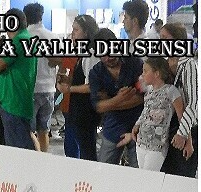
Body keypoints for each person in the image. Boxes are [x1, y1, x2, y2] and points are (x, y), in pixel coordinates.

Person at [116, 58, 184, 172]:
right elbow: (146, 110)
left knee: (149, 176)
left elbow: (180, 115)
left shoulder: (171, 91)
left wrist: (183, 135)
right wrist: (137, 124)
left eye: (145, 71)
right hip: (141, 141)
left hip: (157, 145)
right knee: (143, 174)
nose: (142, 74)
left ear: (157, 73)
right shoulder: (149, 90)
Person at [89, 28, 144, 167]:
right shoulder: (96, 72)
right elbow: (98, 107)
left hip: (138, 126)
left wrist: (110, 101)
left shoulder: (135, 63)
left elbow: (143, 98)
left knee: (139, 173)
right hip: (113, 126)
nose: (108, 58)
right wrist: (120, 98)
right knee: (104, 169)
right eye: (103, 55)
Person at [0, 8, 37, 150]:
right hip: (18, 100)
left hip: (13, 103)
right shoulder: (27, 38)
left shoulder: (18, 41)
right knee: (24, 143)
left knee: (18, 150)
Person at [56, 14, 100, 160]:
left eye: (76, 30)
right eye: (72, 29)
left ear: (86, 32)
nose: (72, 33)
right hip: (72, 107)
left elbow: (91, 85)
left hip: (84, 110)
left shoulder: (91, 54)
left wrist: (69, 89)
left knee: (86, 150)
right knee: (72, 146)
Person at [158, 23, 197, 177]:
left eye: (164, 38)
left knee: (181, 176)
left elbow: (193, 103)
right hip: (168, 126)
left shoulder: (189, 65)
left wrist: (184, 134)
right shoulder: (164, 64)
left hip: (187, 128)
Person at [24, 2, 61, 153]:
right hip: (49, 89)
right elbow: (60, 63)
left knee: (29, 130)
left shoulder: (24, 37)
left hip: (30, 90)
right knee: (44, 129)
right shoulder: (53, 37)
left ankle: (34, 160)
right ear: (41, 16)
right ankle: (44, 158)